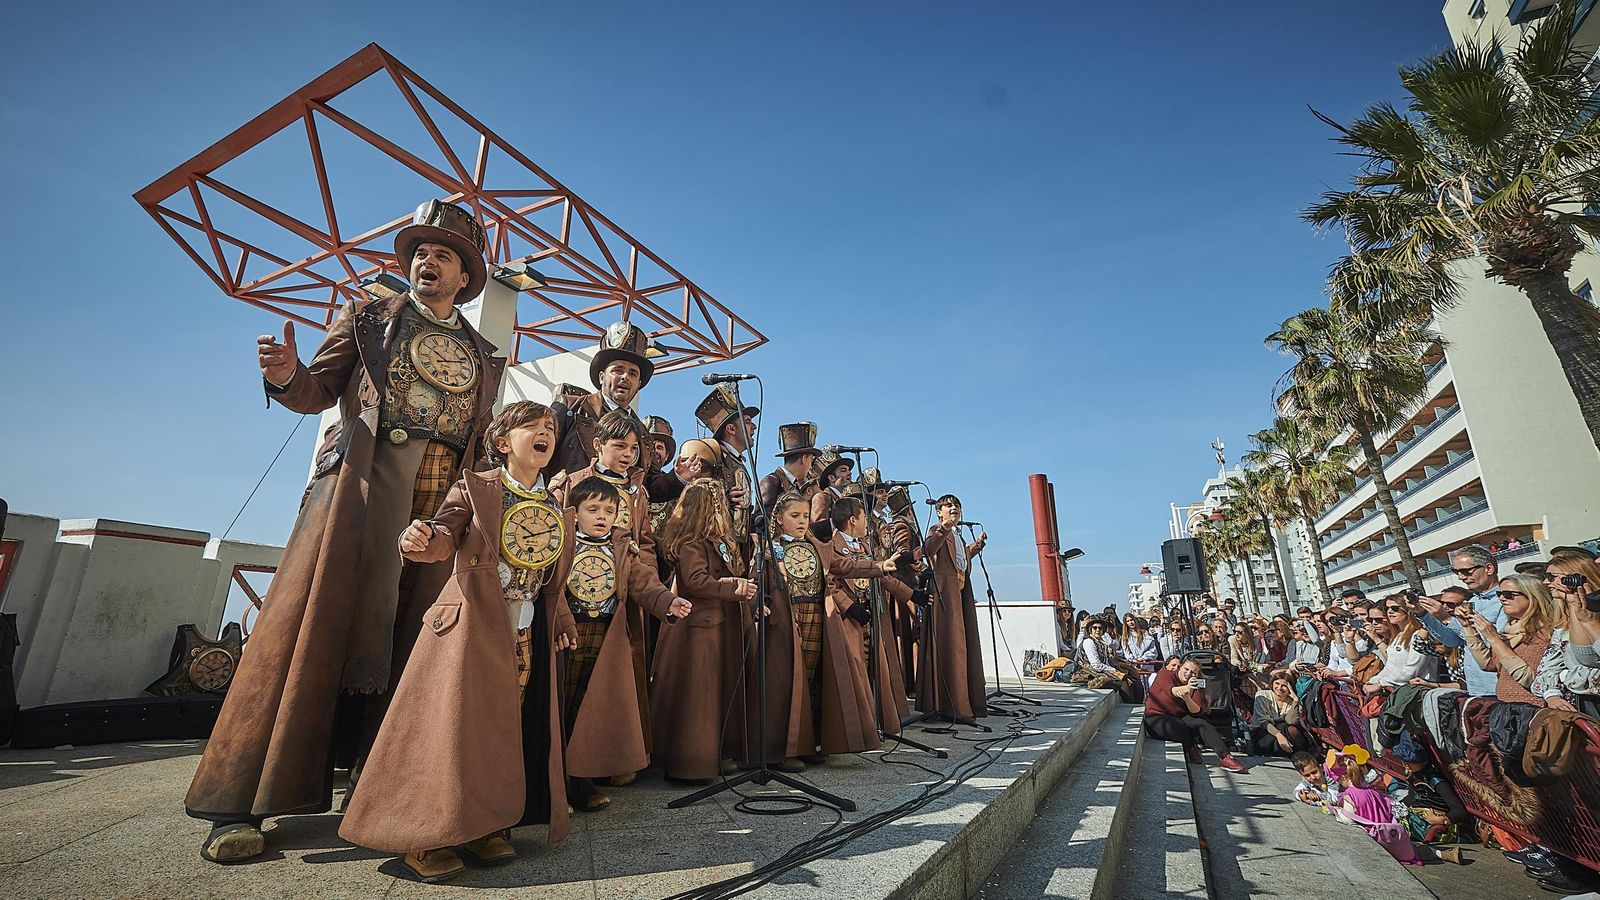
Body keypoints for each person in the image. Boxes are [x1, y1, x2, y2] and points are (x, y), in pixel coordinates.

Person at [187, 200, 506, 864]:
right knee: (305, 629)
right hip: (362, 491)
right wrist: (284, 377)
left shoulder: (484, 355)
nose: (427, 260)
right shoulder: (366, 318)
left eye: (443, 253)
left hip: (440, 500)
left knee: (419, 643)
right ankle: (236, 801)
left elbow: (478, 443)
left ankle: (392, 792)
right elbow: (316, 391)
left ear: (466, 274)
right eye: (420, 251)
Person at [339, 400, 575, 882]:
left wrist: (563, 618)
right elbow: (446, 533)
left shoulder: (555, 503)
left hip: (523, 630)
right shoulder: (475, 487)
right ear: (503, 440)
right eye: (530, 425)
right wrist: (423, 540)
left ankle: (484, 826)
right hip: (469, 626)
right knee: (447, 729)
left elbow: (552, 577)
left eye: (549, 426)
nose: (543, 432)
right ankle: (423, 836)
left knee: (502, 727)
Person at [556, 478, 691, 810]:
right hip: (566, 638)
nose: (602, 516)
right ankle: (553, 785)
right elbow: (550, 586)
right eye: (593, 509)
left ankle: (580, 780)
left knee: (590, 706)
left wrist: (666, 601)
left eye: (610, 510)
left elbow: (642, 581)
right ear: (574, 514)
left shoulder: (622, 549)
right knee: (559, 704)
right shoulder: (562, 543)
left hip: (603, 638)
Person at [650, 479, 756, 782]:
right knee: (698, 697)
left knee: (714, 694)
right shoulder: (690, 544)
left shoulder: (713, 540)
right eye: (717, 503)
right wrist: (735, 587)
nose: (721, 508)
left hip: (716, 626)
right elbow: (696, 582)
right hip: (700, 630)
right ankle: (691, 764)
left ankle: (714, 754)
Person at [915, 494, 988, 720]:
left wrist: (977, 546)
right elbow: (928, 549)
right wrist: (943, 528)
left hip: (959, 591)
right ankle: (950, 704)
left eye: (956, 505)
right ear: (939, 512)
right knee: (951, 645)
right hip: (944, 592)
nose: (953, 508)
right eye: (948, 506)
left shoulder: (958, 535)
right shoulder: (938, 529)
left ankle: (965, 700)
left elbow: (961, 559)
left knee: (963, 645)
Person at [548, 321, 651, 476]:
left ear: (639, 385)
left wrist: (680, 476)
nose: (625, 377)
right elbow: (538, 457)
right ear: (602, 377)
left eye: (632, 373)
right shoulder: (569, 407)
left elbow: (652, 485)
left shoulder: (643, 433)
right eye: (618, 370)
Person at [1459, 574, 1556, 703]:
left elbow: (1529, 678)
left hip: (1532, 708)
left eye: (1509, 594)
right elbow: (1488, 664)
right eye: (1499, 594)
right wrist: (1468, 628)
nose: (1502, 599)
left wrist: (1494, 638)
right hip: (1508, 709)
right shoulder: (1511, 630)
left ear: (1533, 597)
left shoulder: (1544, 632)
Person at [693, 385, 758, 566]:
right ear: (731, 428)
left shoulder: (737, 462)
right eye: (747, 421)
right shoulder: (711, 456)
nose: (753, 426)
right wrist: (723, 501)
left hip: (734, 554)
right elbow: (696, 502)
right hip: (712, 555)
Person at [1143, 658, 1245, 772]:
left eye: (1193, 672)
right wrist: (1186, 688)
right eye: (1186, 669)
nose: (1188, 674)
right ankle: (1191, 747)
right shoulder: (1165, 674)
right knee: (1178, 725)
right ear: (1180, 667)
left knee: (1202, 722)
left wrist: (1187, 697)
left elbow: (1196, 711)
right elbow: (1172, 690)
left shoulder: (1195, 684)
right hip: (1156, 716)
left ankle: (1225, 756)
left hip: (1178, 715)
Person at [1532, 550, 1600, 716]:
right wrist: (1551, 693)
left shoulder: (1591, 616)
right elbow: (1547, 666)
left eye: (1551, 576)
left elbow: (1588, 660)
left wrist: (1566, 676)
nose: (1545, 582)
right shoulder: (1564, 620)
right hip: (1580, 704)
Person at [1416, 584, 1499, 697]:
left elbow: (1488, 641)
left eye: (1450, 604)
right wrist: (1423, 614)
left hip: (1493, 687)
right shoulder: (1472, 603)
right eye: (1442, 603)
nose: (1445, 607)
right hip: (1474, 690)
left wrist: (1446, 618)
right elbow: (1451, 641)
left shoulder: (1497, 603)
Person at [1364, 597, 1438, 692]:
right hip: (1398, 691)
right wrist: (1373, 681)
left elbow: (1412, 669)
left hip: (1418, 692)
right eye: (1387, 609)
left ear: (1407, 610)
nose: (1390, 612)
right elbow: (1390, 667)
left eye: (1395, 608)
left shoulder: (1419, 635)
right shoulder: (1397, 636)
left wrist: (1381, 684)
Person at [759, 422, 821, 510]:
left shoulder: (794, 486)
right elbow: (762, 518)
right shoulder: (771, 482)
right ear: (804, 459)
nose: (810, 467)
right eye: (811, 460)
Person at [1251, 673, 1312, 756]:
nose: (1279, 688)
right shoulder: (1263, 695)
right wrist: (1278, 735)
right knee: (1283, 732)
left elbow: (1291, 721)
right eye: (1277, 684)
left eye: (1284, 686)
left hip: (1286, 730)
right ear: (1272, 683)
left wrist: (1295, 700)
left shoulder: (1292, 700)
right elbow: (1264, 722)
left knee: (1292, 729)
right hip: (1264, 731)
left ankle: (1302, 755)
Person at [809, 451, 854, 540]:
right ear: (831, 478)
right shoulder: (822, 497)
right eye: (843, 470)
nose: (849, 473)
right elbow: (817, 529)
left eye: (849, 470)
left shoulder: (847, 500)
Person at [1121, 615, 1161, 685]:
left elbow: (1153, 651)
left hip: (1148, 665)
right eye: (1128, 621)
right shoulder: (1125, 637)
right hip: (1135, 667)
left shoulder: (1145, 633)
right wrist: (1134, 660)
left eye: (1131, 620)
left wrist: (1143, 658)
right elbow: (1127, 653)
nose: (1130, 622)